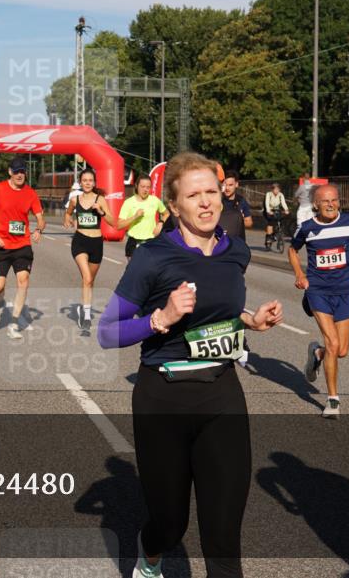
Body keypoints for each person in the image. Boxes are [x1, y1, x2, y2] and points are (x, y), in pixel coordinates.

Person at [96, 151, 283, 578]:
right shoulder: (152, 257)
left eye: (211, 192)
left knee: (223, 536)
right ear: (174, 206)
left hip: (221, 393)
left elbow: (221, 313)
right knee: (170, 523)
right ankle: (151, 553)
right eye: (193, 195)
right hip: (163, 397)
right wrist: (160, 318)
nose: (205, 202)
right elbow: (107, 332)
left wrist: (252, 321)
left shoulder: (235, 251)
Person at [287, 183, 349, 417]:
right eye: (325, 201)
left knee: (341, 350)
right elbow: (292, 250)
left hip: (344, 292)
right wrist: (300, 275)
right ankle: (333, 400)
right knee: (332, 343)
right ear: (315, 205)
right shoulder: (307, 227)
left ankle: (317, 353)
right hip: (318, 291)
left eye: (334, 200)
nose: (331, 205)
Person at [0, 156, 46, 340]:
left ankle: (14, 323)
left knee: (23, 281)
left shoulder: (30, 193)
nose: (19, 175)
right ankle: (0, 304)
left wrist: (39, 228)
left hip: (22, 244)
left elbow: (40, 217)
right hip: (0, 244)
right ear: (10, 172)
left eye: (22, 171)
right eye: (16, 171)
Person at [64, 167, 118, 331]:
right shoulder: (75, 199)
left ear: (94, 183)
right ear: (80, 182)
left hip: (96, 243)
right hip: (80, 241)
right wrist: (68, 221)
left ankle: (83, 307)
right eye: (85, 180)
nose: (87, 183)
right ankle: (87, 316)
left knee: (90, 281)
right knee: (87, 277)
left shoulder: (100, 199)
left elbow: (112, 221)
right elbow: (68, 213)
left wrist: (101, 212)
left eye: (90, 181)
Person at [117, 175, 170, 260]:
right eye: (142, 187)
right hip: (134, 243)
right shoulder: (128, 202)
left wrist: (160, 223)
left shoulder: (155, 200)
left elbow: (166, 214)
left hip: (151, 242)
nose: (145, 190)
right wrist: (135, 217)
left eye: (148, 187)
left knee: (150, 272)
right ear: (136, 186)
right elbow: (119, 225)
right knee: (134, 272)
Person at [219, 170, 253, 241]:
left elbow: (249, 223)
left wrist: (238, 219)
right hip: (219, 241)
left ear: (236, 184)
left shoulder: (241, 201)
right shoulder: (217, 200)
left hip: (237, 242)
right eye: (225, 185)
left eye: (230, 185)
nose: (227, 188)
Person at [262, 183, 289, 250]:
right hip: (268, 210)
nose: (277, 191)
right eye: (275, 189)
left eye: (278, 189)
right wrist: (269, 211)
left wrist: (286, 210)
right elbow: (267, 203)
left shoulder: (280, 195)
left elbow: (283, 203)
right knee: (271, 222)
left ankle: (276, 234)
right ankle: (268, 239)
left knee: (281, 221)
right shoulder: (269, 194)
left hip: (276, 210)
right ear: (272, 189)